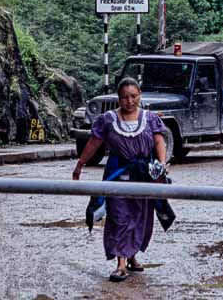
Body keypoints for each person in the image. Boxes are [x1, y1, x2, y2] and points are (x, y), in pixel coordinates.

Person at [72, 77, 167, 283]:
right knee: (119, 215)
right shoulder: (108, 120)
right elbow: (94, 142)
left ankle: (132, 255)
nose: (129, 101)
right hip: (117, 173)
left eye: (133, 96)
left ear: (139, 95)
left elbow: (159, 140)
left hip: (143, 175)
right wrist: (80, 164)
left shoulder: (150, 118)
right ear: (118, 98)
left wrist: (161, 164)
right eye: (124, 97)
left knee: (139, 215)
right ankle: (121, 264)